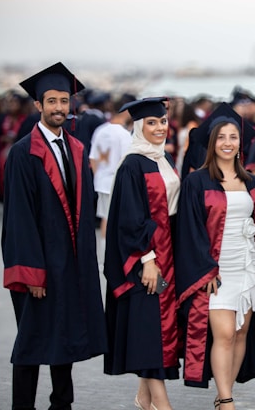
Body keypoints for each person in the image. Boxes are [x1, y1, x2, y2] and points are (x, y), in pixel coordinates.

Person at [1, 62, 107, 409]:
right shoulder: (22, 153)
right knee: (31, 341)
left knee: (66, 338)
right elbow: (18, 218)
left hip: (71, 263)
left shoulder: (76, 149)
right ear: (38, 105)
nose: (59, 107)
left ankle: (62, 404)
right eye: (52, 101)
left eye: (64, 100)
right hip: (41, 266)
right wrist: (32, 271)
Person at [175, 103, 255, 409]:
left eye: (233, 137)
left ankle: (222, 396)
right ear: (212, 143)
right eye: (222, 137)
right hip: (217, 268)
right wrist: (206, 270)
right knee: (223, 333)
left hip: (248, 265)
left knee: (241, 332)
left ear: (240, 143)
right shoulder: (196, 182)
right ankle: (228, 401)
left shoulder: (252, 183)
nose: (228, 142)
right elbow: (189, 231)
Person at [103, 97, 180, 410]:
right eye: (152, 123)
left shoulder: (162, 160)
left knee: (156, 327)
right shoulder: (133, 164)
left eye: (162, 121)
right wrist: (147, 261)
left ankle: (143, 398)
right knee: (150, 328)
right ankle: (162, 405)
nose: (159, 127)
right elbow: (130, 218)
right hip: (146, 260)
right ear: (138, 127)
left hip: (168, 257)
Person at [88, 98, 133, 251]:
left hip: (101, 181)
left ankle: (104, 248)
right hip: (115, 181)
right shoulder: (124, 134)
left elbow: (93, 157)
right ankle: (111, 251)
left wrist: (97, 176)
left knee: (105, 217)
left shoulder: (100, 130)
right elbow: (126, 161)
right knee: (114, 218)